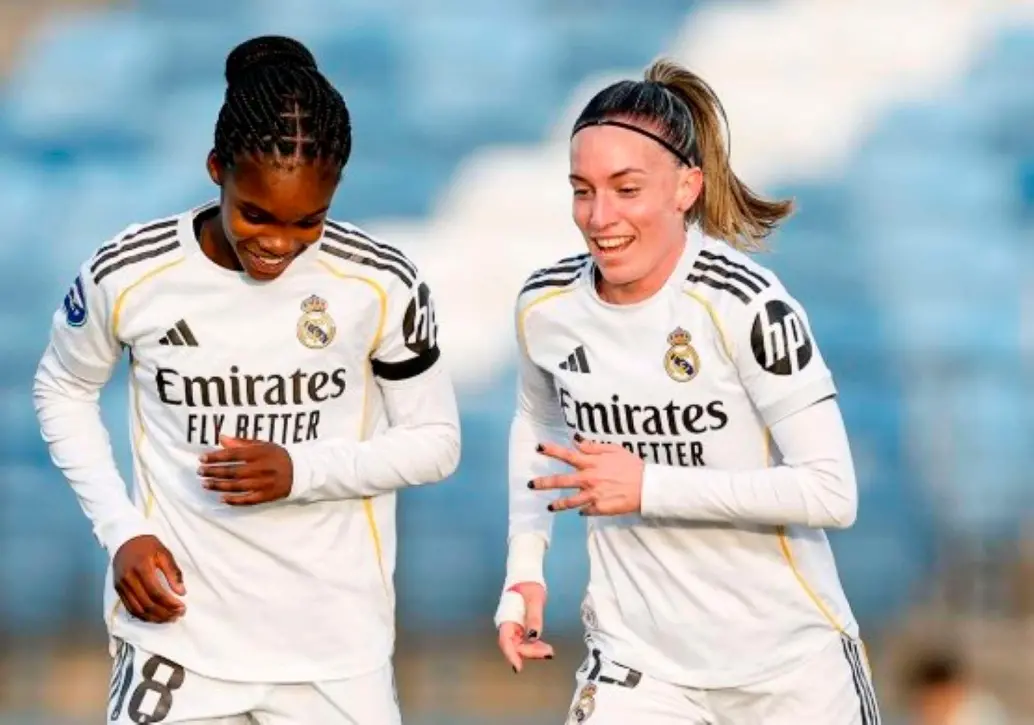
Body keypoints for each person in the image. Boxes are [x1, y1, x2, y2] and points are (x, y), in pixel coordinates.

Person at [33, 35, 460, 725]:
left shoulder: (380, 280)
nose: (279, 242)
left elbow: (437, 441)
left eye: (307, 223)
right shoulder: (130, 272)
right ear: (217, 170)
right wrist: (122, 531)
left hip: (334, 653)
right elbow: (62, 387)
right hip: (179, 643)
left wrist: (301, 469)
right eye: (256, 214)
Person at [494, 58, 881, 724]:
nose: (598, 215)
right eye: (582, 190)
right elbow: (538, 425)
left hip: (787, 669)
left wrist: (649, 485)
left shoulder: (745, 305)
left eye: (626, 188)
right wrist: (524, 569)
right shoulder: (546, 305)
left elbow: (831, 491)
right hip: (640, 665)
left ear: (685, 187)